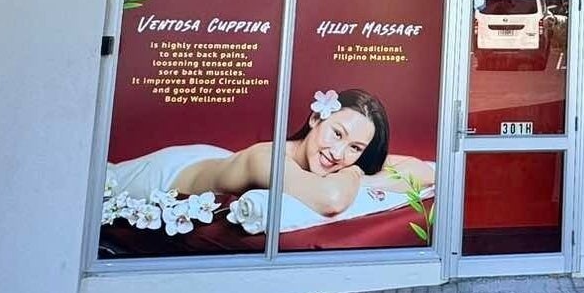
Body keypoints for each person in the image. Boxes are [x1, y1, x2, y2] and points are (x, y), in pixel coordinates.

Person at [110, 88, 435, 219]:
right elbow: (332, 199)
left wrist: (360, 169)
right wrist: (355, 171)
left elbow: (426, 171)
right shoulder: (267, 158)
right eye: (337, 133)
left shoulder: (329, 161)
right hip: (160, 173)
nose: (338, 153)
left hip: (218, 157)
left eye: (355, 148)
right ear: (315, 119)